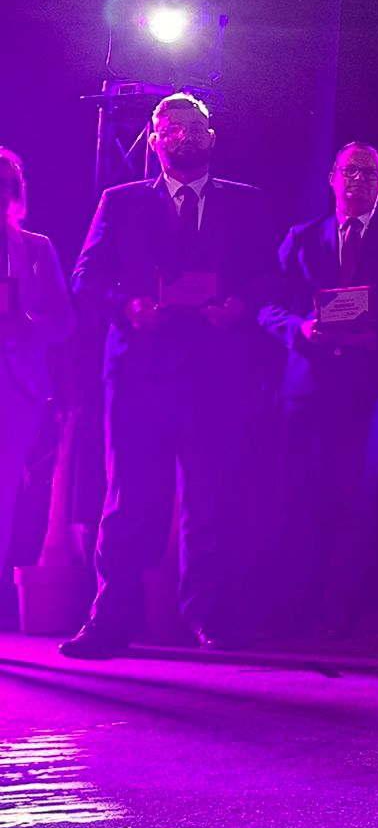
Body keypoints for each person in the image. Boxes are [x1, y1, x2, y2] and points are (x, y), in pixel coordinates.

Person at [59, 93, 276, 657]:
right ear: (153, 140)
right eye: (171, 127)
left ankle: (209, 617)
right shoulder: (121, 201)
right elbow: (86, 277)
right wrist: (127, 306)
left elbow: (270, 275)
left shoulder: (246, 202)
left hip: (214, 376)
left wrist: (240, 306)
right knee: (129, 499)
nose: (184, 135)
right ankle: (110, 621)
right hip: (140, 376)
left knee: (212, 499)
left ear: (212, 137)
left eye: (195, 126)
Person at [258, 142, 378, 638]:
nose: (358, 180)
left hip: (369, 391)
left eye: (369, 173)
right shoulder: (301, 237)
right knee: (296, 497)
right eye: (350, 171)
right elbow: (267, 306)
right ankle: (290, 607)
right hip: (307, 387)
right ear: (332, 178)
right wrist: (299, 328)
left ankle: (339, 608)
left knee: (355, 500)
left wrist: (377, 336)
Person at [0, 148, 76, 579]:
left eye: (5, 183)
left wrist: (28, 326)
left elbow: (65, 321)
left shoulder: (35, 248)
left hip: (15, 388)